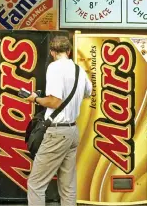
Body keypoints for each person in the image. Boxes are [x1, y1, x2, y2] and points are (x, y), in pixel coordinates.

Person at [25, 35, 92, 206]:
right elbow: (87, 93)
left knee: (36, 184)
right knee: (68, 187)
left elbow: (54, 101)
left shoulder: (54, 68)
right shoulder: (79, 70)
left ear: (52, 52)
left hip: (57, 132)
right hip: (72, 131)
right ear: (69, 51)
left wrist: (35, 99)